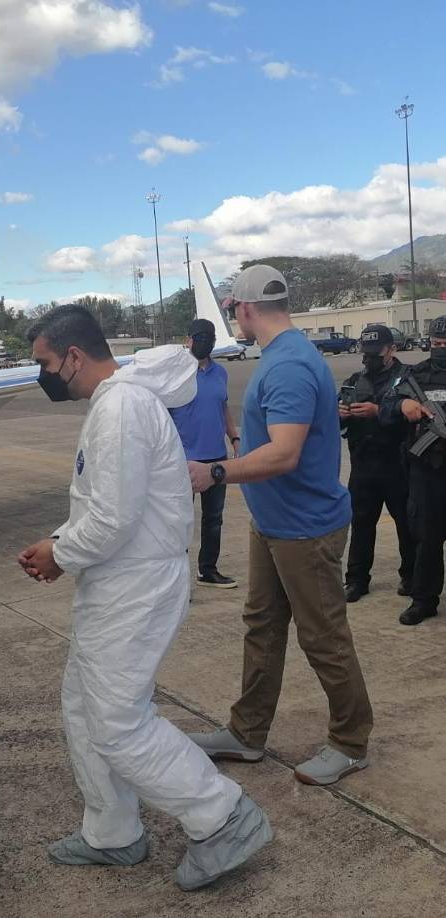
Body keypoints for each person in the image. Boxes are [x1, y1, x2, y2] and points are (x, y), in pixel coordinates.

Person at [17, 305, 272, 891]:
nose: (44, 374)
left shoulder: (123, 408)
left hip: (135, 586)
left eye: (46, 363)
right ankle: (113, 832)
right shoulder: (117, 404)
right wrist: (59, 543)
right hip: (118, 581)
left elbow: (112, 517)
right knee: (85, 705)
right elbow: (107, 506)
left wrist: (61, 552)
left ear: (73, 357)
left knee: (117, 721)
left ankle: (221, 816)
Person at [187, 265, 373, 787]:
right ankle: (246, 734)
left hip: (304, 529)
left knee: (323, 637)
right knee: (262, 628)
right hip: (275, 524)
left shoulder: (288, 364)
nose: (233, 321)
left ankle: (350, 742)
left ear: (245, 309)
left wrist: (216, 471)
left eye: (232, 312)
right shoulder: (280, 357)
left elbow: (285, 453)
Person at [340, 325, 415, 603]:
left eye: (375, 353)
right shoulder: (355, 379)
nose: (369, 359)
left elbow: (413, 414)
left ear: (392, 349)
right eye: (366, 353)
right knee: (361, 524)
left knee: (407, 525)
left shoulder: (407, 377)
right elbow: (335, 416)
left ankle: (410, 575)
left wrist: (377, 411)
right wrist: (343, 413)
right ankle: (357, 580)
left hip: (397, 464)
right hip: (363, 464)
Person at [379, 314, 446, 625]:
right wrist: (402, 406)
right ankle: (424, 600)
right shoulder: (413, 377)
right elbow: (386, 405)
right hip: (426, 470)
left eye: (445, 344)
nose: (440, 348)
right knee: (426, 537)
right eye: (435, 344)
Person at [168, 317, 240, 589]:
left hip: (215, 458)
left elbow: (223, 409)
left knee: (214, 518)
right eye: (199, 338)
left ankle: (207, 569)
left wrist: (234, 438)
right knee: (180, 522)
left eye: (209, 339)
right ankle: (176, 580)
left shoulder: (220, 373)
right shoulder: (176, 374)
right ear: (188, 340)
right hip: (183, 459)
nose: (204, 343)